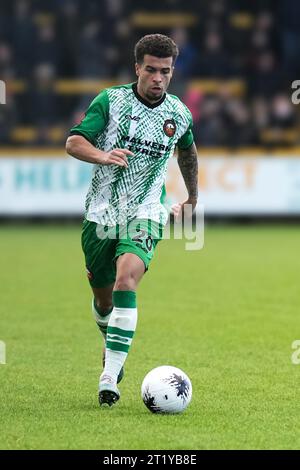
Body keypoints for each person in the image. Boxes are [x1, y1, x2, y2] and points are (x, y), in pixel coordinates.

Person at [66, 34, 198, 407]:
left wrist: (193, 198)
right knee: (104, 300)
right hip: (101, 213)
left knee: (128, 277)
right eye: (152, 70)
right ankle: (112, 344)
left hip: (148, 210)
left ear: (173, 72)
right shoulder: (111, 101)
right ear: (137, 67)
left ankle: (110, 374)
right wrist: (102, 155)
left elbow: (187, 151)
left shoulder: (179, 113)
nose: (159, 78)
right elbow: (74, 142)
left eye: (166, 71)